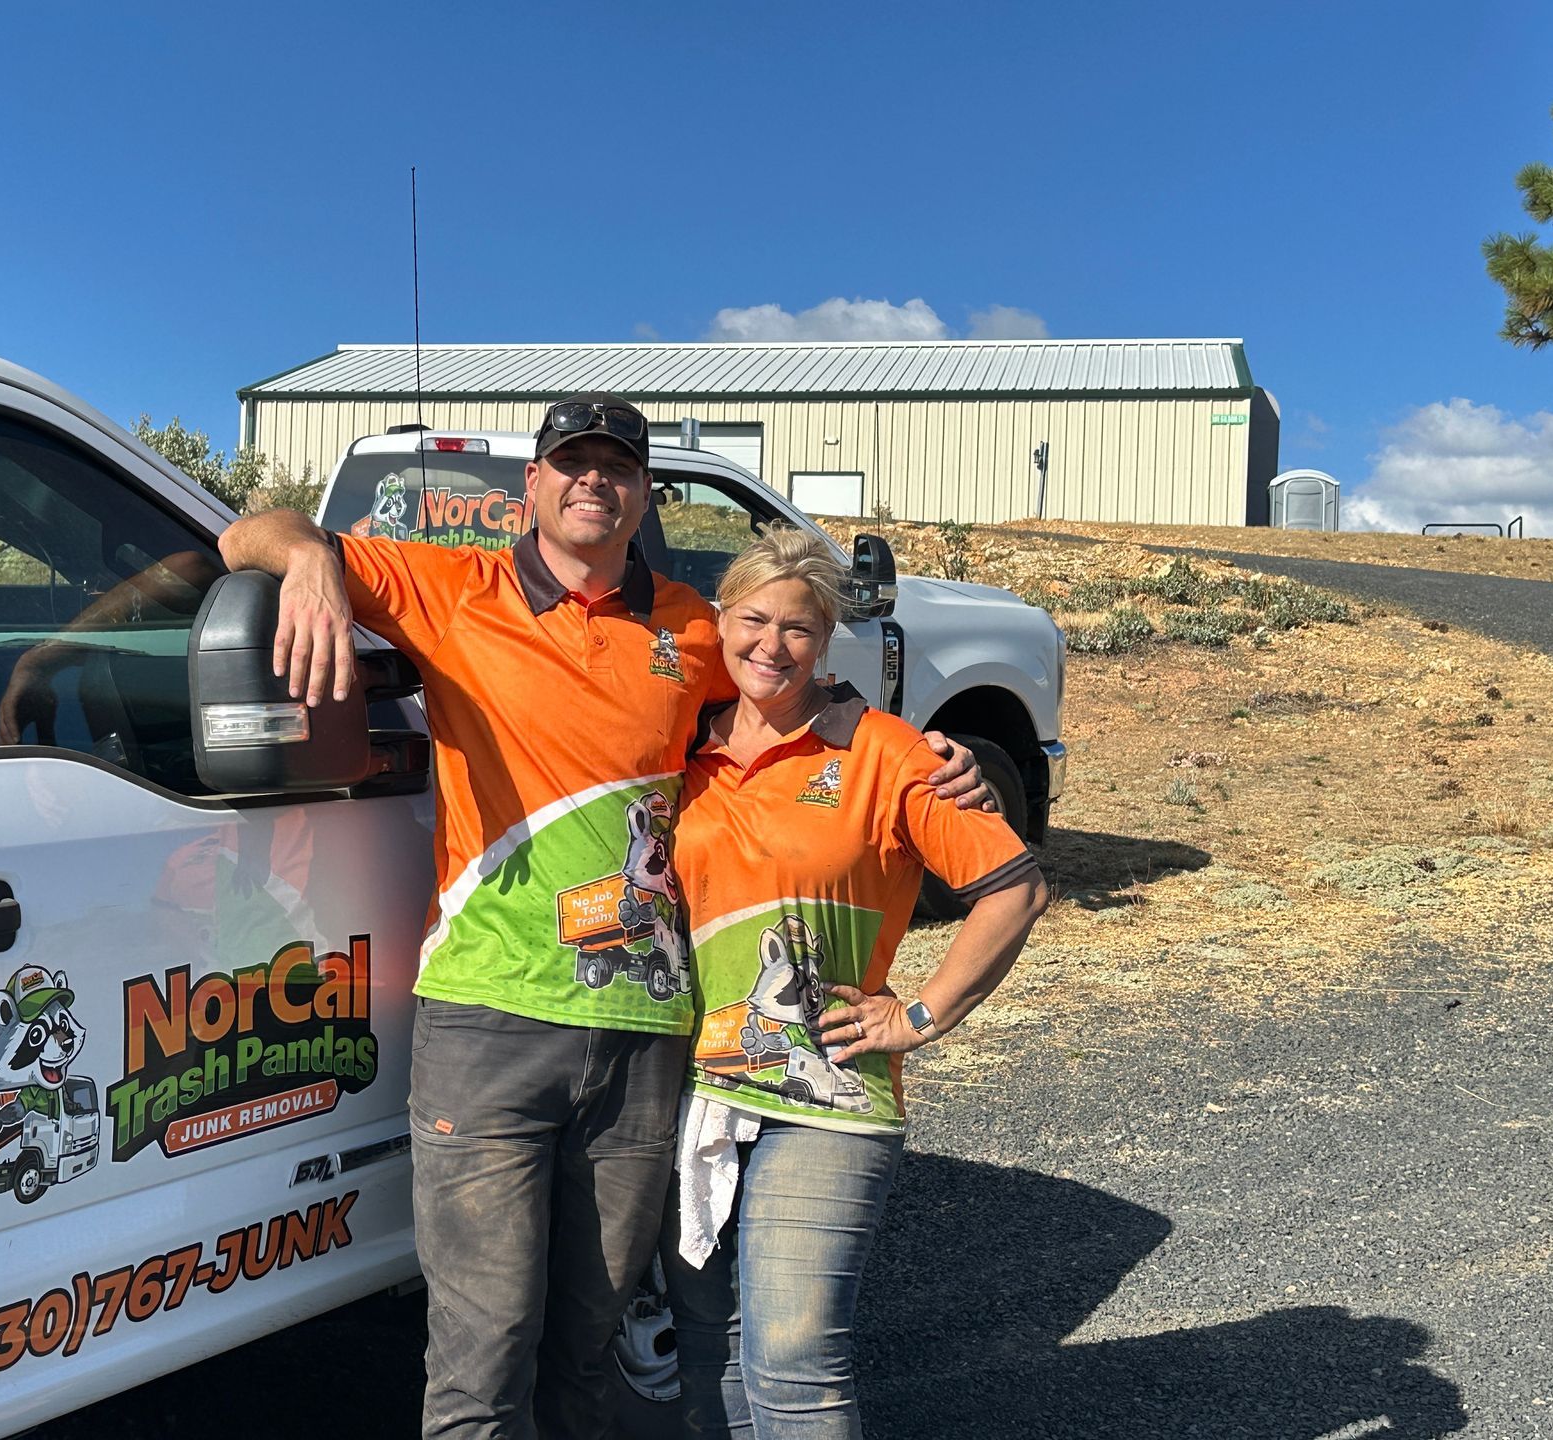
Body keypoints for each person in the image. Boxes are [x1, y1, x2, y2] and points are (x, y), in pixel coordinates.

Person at [218, 394, 989, 1439]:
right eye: (570, 462)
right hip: (487, 1020)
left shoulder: (695, 626)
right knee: (480, 1368)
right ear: (528, 485)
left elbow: (800, 688)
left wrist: (936, 763)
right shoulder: (453, 586)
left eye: (617, 466)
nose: (594, 480)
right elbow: (241, 533)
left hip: (645, 1040)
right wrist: (309, 556)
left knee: (592, 1358)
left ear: (642, 493)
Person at [662, 526, 1048, 1439]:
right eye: (752, 619)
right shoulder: (682, 747)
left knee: (794, 1365)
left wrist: (918, 1013)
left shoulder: (887, 752)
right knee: (709, 1355)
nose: (771, 645)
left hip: (824, 1097)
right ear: (719, 622)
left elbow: (1016, 889)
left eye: (799, 628)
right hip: (692, 1092)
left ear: (827, 638)